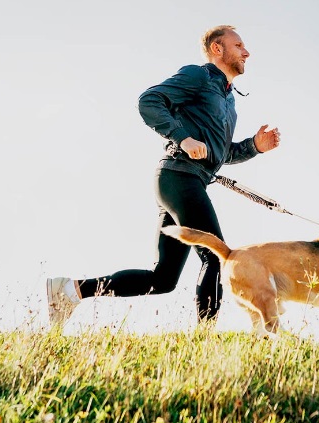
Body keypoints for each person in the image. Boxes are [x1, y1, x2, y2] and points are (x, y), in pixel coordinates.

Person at [46, 25, 281, 326]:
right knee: (217, 256)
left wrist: (254, 147)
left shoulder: (229, 100)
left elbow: (217, 154)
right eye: (238, 45)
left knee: (163, 279)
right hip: (179, 177)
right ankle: (205, 341)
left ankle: (69, 291)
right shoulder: (200, 76)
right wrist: (182, 137)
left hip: (186, 182)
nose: (246, 52)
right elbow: (149, 101)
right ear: (217, 49)